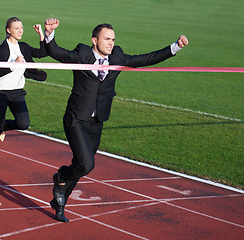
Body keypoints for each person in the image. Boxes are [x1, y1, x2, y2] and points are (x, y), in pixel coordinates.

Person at [43, 18, 189, 222]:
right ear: (94, 40)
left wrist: (175, 47)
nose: (111, 43)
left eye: (113, 39)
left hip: (97, 122)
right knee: (86, 165)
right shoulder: (82, 54)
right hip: (76, 118)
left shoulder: (117, 57)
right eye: (106, 39)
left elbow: (146, 59)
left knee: (81, 164)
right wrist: (49, 34)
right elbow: (56, 53)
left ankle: (59, 204)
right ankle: (61, 177)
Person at [0, 17, 48, 172]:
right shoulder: (3, 49)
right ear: (8, 30)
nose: (20, 31)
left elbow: (42, 53)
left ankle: (3, 126)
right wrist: (14, 64)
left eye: (22, 28)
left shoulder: (23, 47)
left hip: (17, 92)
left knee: (23, 123)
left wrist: (41, 34)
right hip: (1, 92)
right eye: (17, 28)